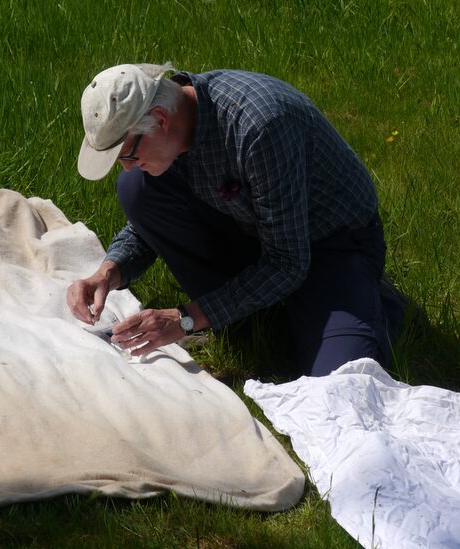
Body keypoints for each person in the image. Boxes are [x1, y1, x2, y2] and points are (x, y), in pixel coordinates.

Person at [66, 62, 406, 376]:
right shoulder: (175, 130)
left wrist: (184, 319)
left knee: (342, 381)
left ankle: (369, 299)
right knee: (135, 187)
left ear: (160, 119)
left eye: (127, 154)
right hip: (258, 233)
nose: (125, 165)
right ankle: (254, 315)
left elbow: (287, 262)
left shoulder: (258, 128)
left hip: (332, 244)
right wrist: (108, 273)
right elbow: (149, 228)